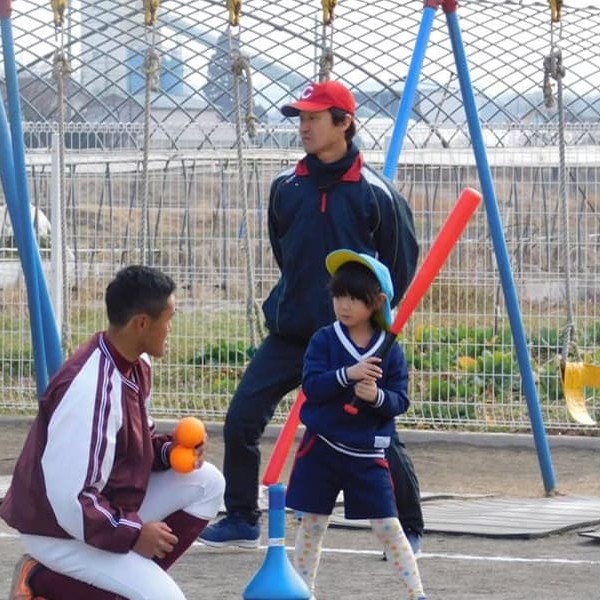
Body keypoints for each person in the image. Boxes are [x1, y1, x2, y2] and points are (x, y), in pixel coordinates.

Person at [199, 79, 426, 553]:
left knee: (378, 428)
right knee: (242, 419)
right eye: (300, 118)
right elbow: (285, 250)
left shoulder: (376, 194)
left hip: (353, 337)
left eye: (314, 118)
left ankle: (409, 529)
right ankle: (241, 517)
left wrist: (365, 324)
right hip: (293, 332)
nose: (303, 127)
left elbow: (399, 264)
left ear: (344, 123)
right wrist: (303, 300)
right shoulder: (286, 186)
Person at [0, 265, 225, 600]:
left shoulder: (136, 362)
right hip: (57, 530)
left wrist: (169, 451)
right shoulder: (89, 390)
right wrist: (134, 535)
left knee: (207, 483)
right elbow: (71, 501)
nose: (171, 328)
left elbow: (133, 444)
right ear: (142, 324)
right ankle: (42, 579)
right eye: (169, 318)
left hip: (98, 514)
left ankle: (106, 583)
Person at [287, 249, 427, 599]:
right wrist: (347, 375)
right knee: (311, 525)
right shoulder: (324, 339)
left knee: (388, 526)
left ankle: (416, 594)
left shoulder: (390, 350)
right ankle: (304, 592)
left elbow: (400, 401)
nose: (344, 305)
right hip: (321, 449)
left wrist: (374, 397)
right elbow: (313, 387)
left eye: (354, 298)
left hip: (367, 454)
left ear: (378, 301)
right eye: (338, 296)